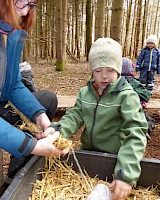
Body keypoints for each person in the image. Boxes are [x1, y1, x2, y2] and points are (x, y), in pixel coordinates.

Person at [0, 0, 67, 199]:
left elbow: (12, 85)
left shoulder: (12, 29)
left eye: (31, 4)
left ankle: (18, 174)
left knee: (47, 101)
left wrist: (39, 116)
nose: (26, 11)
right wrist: (32, 145)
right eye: (21, 2)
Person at [48, 38, 148, 200]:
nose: (104, 76)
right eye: (97, 70)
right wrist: (58, 132)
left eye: (109, 70)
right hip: (88, 153)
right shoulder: (85, 93)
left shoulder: (127, 97)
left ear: (118, 69)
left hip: (115, 158)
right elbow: (74, 116)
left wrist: (125, 175)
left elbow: (135, 134)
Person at [122, 58, 156, 136]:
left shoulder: (113, 82)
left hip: (117, 111)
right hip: (135, 110)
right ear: (131, 69)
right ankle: (144, 131)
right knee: (148, 121)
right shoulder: (133, 82)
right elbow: (146, 96)